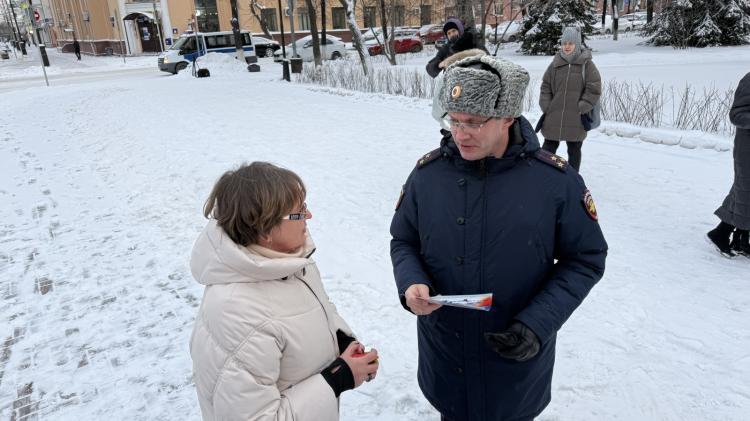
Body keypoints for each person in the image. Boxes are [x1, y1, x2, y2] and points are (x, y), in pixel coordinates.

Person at [390, 52, 608, 420]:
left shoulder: (555, 182)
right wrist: (411, 281)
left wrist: (537, 324)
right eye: (454, 120)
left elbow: (585, 259)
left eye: (474, 122)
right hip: (446, 357)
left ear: (508, 117)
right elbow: (403, 240)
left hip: (514, 366)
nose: (460, 134)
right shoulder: (428, 175)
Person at [190, 162, 379, 420]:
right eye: (299, 212)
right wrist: (338, 378)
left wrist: (340, 340)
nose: (309, 215)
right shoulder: (236, 312)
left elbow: (308, 312)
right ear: (265, 229)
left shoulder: (289, 263)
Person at [538, 27, 601, 171]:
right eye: (564, 43)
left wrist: (582, 107)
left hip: (576, 117)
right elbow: (545, 86)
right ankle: (545, 174)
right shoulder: (555, 64)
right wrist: (546, 106)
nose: (567, 46)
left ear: (577, 44)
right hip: (554, 115)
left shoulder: (587, 65)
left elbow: (594, 88)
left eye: (570, 43)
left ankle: (572, 178)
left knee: (574, 150)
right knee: (547, 151)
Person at [707, 72, 750, 258]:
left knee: (742, 193)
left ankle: (735, 237)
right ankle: (728, 235)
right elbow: (736, 115)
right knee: (744, 192)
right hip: (747, 148)